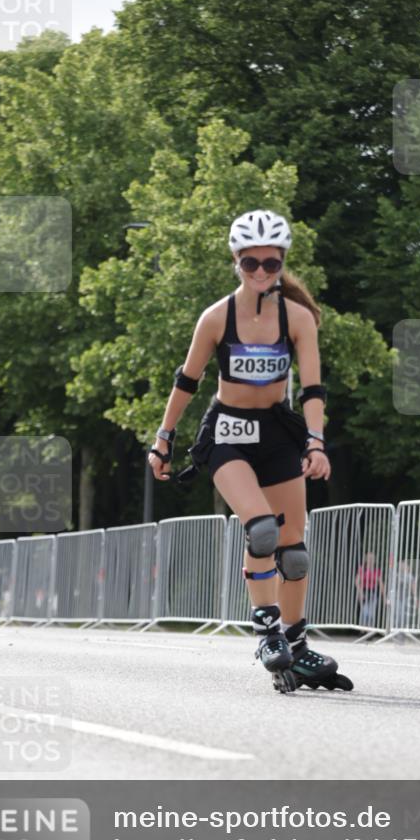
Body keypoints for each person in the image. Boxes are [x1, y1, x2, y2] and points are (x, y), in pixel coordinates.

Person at [148, 209, 352, 693]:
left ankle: (297, 646)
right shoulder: (216, 317)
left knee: (294, 553)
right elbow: (187, 381)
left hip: (277, 433)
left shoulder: (297, 318)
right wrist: (163, 438)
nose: (261, 271)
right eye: (251, 263)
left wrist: (316, 441)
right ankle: (267, 631)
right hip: (229, 433)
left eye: (271, 263)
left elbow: (313, 389)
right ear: (236, 261)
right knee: (262, 530)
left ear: (282, 263)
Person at [355, 552, 386, 628]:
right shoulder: (362, 569)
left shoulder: (377, 571)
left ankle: (370, 629)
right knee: (364, 611)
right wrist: (360, 593)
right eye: (369, 558)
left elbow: (381, 584)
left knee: (371, 613)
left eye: (372, 558)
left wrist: (384, 597)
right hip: (363, 592)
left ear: (374, 560)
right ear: (366, 560)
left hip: (373, 593)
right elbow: (357, 582)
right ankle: (362, 629)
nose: (371, 560)